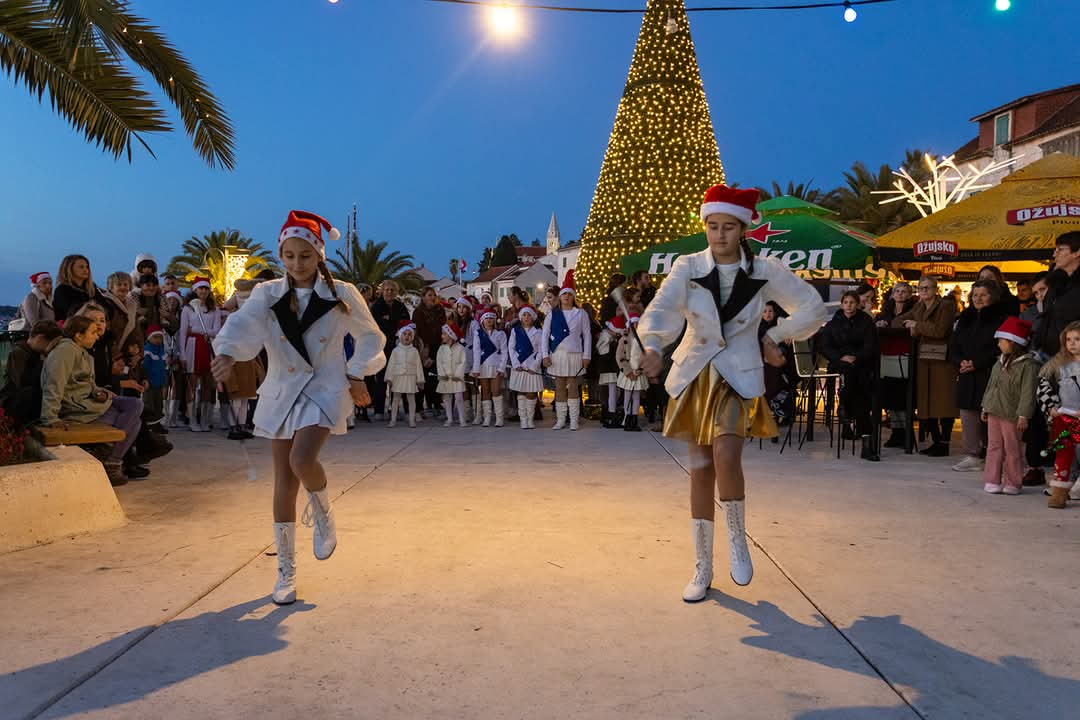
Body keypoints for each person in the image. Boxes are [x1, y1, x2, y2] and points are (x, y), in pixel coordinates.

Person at [638, 184, 827, 603]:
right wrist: (652, 346)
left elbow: (812, 307)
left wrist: (777, 335)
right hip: (695, 375)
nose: (719, 234)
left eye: (728, 227)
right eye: (712, 226)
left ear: (743, 229)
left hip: (738, 375)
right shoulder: (687, 267)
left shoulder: (766, 270)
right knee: (701, 466)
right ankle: (703, 565)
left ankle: (738, 539)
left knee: (725, 454)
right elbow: (662, 310)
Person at [211, 209, 384, 605]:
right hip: (280, 390)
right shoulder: (267, 293)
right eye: (288, 255)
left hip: (324, 388)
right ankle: (286, 571)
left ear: (319, 254)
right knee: (283, 483)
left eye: (304, 255)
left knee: (302, 460)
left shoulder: (342, 293)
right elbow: (243, 327)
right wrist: (226, 353)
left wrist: (357, 372)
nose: (296, 263)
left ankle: (323, 510)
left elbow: (371, 337)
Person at [39, 315, 145, 486]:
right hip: (77, 410)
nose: (97, 336)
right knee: (135, 422)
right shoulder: (65, 351)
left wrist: (99, 392)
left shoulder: (81, 351)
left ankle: (109, 456)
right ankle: (111, 462)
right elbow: (54, 383)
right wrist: (50, 417)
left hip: (90, 403)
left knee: (135, 404)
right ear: (78, 335)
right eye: (93, 332)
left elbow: (86, 384)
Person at [948, 280, 1009, 472]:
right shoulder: (965, 317)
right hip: (966, 373)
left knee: (990, 414)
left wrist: (977, 363)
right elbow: (953, 345)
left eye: (983, 295)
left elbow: (1000, 348)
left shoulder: (1001, 318)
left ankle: (994, 456)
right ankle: (972, 454)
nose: (978, 299)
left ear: (993, 296)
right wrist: (961, 362)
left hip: (989, 373)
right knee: (967, 413)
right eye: (975, 295)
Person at [894, 276, 957, 457]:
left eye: (927, 288)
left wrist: (917, 326)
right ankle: (936, 442)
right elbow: (898, 321)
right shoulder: (919, 306)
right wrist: (909, 325)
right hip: (924, 359)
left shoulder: (946, 305)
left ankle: (944, 443)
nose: (924, 291)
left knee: (944, 403)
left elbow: (941, 330)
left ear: (935, 289)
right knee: (926, 401)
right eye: (921, 288)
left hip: (942, 359)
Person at [980, 318, 1038, 495]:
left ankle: (1013, 482)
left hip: (1012, 414)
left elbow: (1029, 392)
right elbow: (991, 385)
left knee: (1012, 448)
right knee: (993, 446)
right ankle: (992, 480)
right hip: (994, 410)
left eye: (1001, 341)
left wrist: (1023, 415)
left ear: (1013, 342)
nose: (998, 344)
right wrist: (985, 406)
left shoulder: (1028, 365)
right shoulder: (999, 362)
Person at [819, 290, 879, 443]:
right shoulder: (834, 323)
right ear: (842, 304)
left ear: (858, 305)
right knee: (852, 378)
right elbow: (825, 346)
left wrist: (856, 357)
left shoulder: (866, 322)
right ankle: (862, 425)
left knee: (861, 382)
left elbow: (870, 345)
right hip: (840, 363)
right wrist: (841, 357)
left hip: (861, 363)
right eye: (846, 302)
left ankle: (847, 413)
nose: (849, 306)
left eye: (852, 302)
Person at [1035, 321, 1080, 510]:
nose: (1072, 343)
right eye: (1068, 339)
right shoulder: (1058, 365)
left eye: (1077, 339)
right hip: (1065, 418)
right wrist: (1051, 406)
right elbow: (1043, 386)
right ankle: (1059, 493)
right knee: (1063, 457)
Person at [541, 279, 591, 430]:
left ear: (573, 297)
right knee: (560, 386)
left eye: (570, 294)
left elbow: (587, 335)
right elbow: (545, 335)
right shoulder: (552, 314)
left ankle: (574, 420)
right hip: (557, 354)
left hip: (575, 353)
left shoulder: (581, 313)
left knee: (573, 386)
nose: (567, 297)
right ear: (560, 296)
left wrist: (586, 355)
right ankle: (561, 419)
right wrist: (545, 354)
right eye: (564, 294)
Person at [221, 280, 264, 440]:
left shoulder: (252, 320)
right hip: (236, 360)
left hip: (248, 359)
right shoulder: (233, 319)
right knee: (238, 397)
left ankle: (242, 425)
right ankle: (234, 427)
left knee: (246, 396)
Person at [179, 277, 222, 433]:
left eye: (206, 288)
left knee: (207, 385)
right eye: (200, 288)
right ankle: (192, 420)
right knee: (191, 383)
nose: (203, 291)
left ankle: (205, 420)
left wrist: (198, 331)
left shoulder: (214, 309)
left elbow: (216, 331)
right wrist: (182, 355)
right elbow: (183, 333)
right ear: (195, 290)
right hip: (192, 347)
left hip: (208, 347)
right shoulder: (187, 309)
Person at [0, 320, 61, 427]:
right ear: (40, 338)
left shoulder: (35, 353)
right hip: (16, 403)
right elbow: (20, 383)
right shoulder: (18, 353)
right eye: (50, 345)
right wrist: (43, 360)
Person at [368, 279, 410, 420]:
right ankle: (379, 410)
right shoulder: (376, 306)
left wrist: (389, 319)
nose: (390, 292)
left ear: (396, 292)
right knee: (381, 379)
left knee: (398, 379)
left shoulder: (400, 306)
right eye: (387, 290)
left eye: (392, 290)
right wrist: (393, 320)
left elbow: (406, 323)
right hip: (381, 347)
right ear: (382, 291)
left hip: (398, 346)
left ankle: (395, 409)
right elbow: (374, 324)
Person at [1035, 232, 1080, 357]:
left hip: (1072, 359)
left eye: (1060, 249)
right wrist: (1038, 343)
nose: (1055, 254)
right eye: (1055, 250)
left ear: (1077, 253)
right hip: (1048, 354)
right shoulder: (1055, 283)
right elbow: (1047, 317)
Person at [412, 287, 446, 418]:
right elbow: (418, 332)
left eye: (434, 295)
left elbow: (442, 328)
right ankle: (421, 407)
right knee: (422, 378)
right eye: (429, 295)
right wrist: (424, 350)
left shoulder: (440, 310)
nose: (432, 297)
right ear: (423, 297)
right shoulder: (418, 312)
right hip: (423, 348)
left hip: (438, 347)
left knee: (435, 378)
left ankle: (437, 404)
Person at [471, 308, 508, 427]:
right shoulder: (478, 333)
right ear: (482, 320)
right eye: (486, 318)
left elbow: (504, 351)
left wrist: (502, 367)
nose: (489, 320)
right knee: (485, 392)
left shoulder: (500, 333)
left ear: (495, 320)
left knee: (496, 391)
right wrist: (476, 368)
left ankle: (499, 418)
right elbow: (476, 351)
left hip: (496, 366)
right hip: (482, 366)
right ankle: (486, 417)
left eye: (491, 318)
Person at [508, 305, 543, 429]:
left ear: (533, 317)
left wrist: (534, 365)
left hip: (532, 367)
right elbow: (511, 348)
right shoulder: (515, 331)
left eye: (529, 315)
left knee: (531, 393)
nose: (526, 317)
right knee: (520, 392)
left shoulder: (538, 332)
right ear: (520, 317)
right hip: (519, 366)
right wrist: (516, 363)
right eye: (524, 315)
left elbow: (541, 350)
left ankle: (530, 419)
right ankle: (523, 420)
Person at [385, 320, 425, 428]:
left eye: (409, 334)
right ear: (400, 335)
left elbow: (418, 366)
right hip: (398, 376)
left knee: (411, 398)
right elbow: (391, 365)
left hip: (410, 377)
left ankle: (412, 420)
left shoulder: (414, 351)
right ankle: (393, 419)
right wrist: (389, 378)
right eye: (405, 334)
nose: (407, 336)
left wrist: (420, 380)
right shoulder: (395, 351)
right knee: (396, 398)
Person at [616, 314, 648, 431]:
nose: (635, 326)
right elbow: (620, 357)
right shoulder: (623, 340)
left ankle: (634, 419)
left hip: (639, 372)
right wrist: (629, 372)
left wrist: (640, 369)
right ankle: (627, 418)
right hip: (628, 373)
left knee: (636, 396)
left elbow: (646, 356)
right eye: (633, 324)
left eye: (637, 324)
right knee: (627, 395)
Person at [53, 255, 106, 321]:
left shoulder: (92, 289)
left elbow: (106, 307)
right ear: (69, 268)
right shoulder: (62, 290)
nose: (85, 270)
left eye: (87, 267)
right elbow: (70, 312)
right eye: (81, 267)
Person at [436, 322, 468, 428]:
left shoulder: (460, 348)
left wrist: (458, 374)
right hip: (446, 377)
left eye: (444, 334)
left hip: (456, 378)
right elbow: (439, 362)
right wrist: (442, 374)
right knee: (447, 397)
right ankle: (449, 418)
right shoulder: (441, 349)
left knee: (459, 397)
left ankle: (462, 418)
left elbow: (462, 362)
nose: (442, 336)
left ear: (451, 335)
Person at [596, 314, 626, 428]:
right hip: (610, 368)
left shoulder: (605, 337)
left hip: (607, 368)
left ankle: (610, 412)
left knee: (612, 392)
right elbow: (605, 353)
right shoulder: (607, 338)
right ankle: (611, 413)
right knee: (612, 392)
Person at [102, 271, 139, 350]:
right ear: (111, 287)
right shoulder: (105, 304)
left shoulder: (132, 305)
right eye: (119, 284)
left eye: (125, 284)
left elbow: (136, 329)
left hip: (130, 349)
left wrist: (139, 350)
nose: (123, 287)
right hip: (111, 349)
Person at [143, 325, 168, 433]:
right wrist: (146, 379)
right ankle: (148, 426)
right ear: (149, 338)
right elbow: (145, 367)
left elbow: (163, 366)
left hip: (159, 383)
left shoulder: (161, 350)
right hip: (150, 383)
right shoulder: (147, 351)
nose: (158, 340)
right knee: (149, 404)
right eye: (155, 337)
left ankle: (157, 425)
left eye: (160, 337)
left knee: (159, 404)